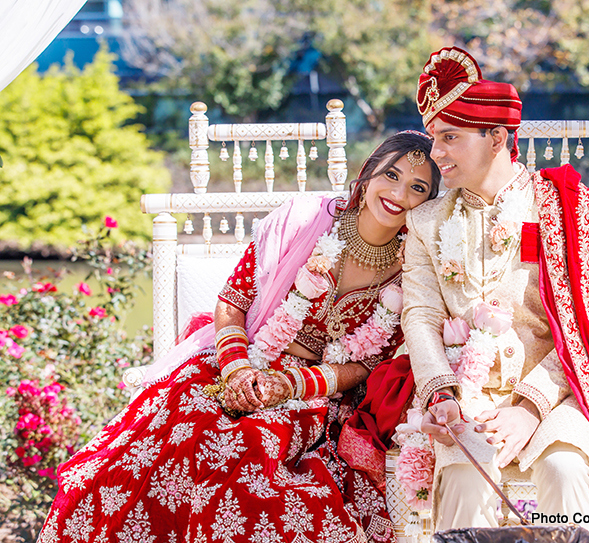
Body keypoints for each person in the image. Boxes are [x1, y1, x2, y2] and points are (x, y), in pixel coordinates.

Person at [37, 131, 441, 543]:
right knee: (185, 432)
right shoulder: (303, 222)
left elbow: (368, 364)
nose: (398, 193)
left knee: (249, 447)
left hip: (315, 394)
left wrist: (290, 384)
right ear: (367, 175)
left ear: (428, 204)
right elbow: (232, 302)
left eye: (417, 187)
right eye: (390, 175)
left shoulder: (415, 270)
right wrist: (237, 370)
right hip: (240, 361)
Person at [401, 46, 589, 543]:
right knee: (466, 478)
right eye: (433, 138)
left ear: (497, 138)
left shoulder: (565, 207)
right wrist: (441, 394)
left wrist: (529, 408)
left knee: (565, 473)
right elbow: (419, 317)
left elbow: (586, 326)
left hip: (556, 395)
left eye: (449, 138)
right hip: (467, 400)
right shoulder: (424, 222)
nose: (435, 152)